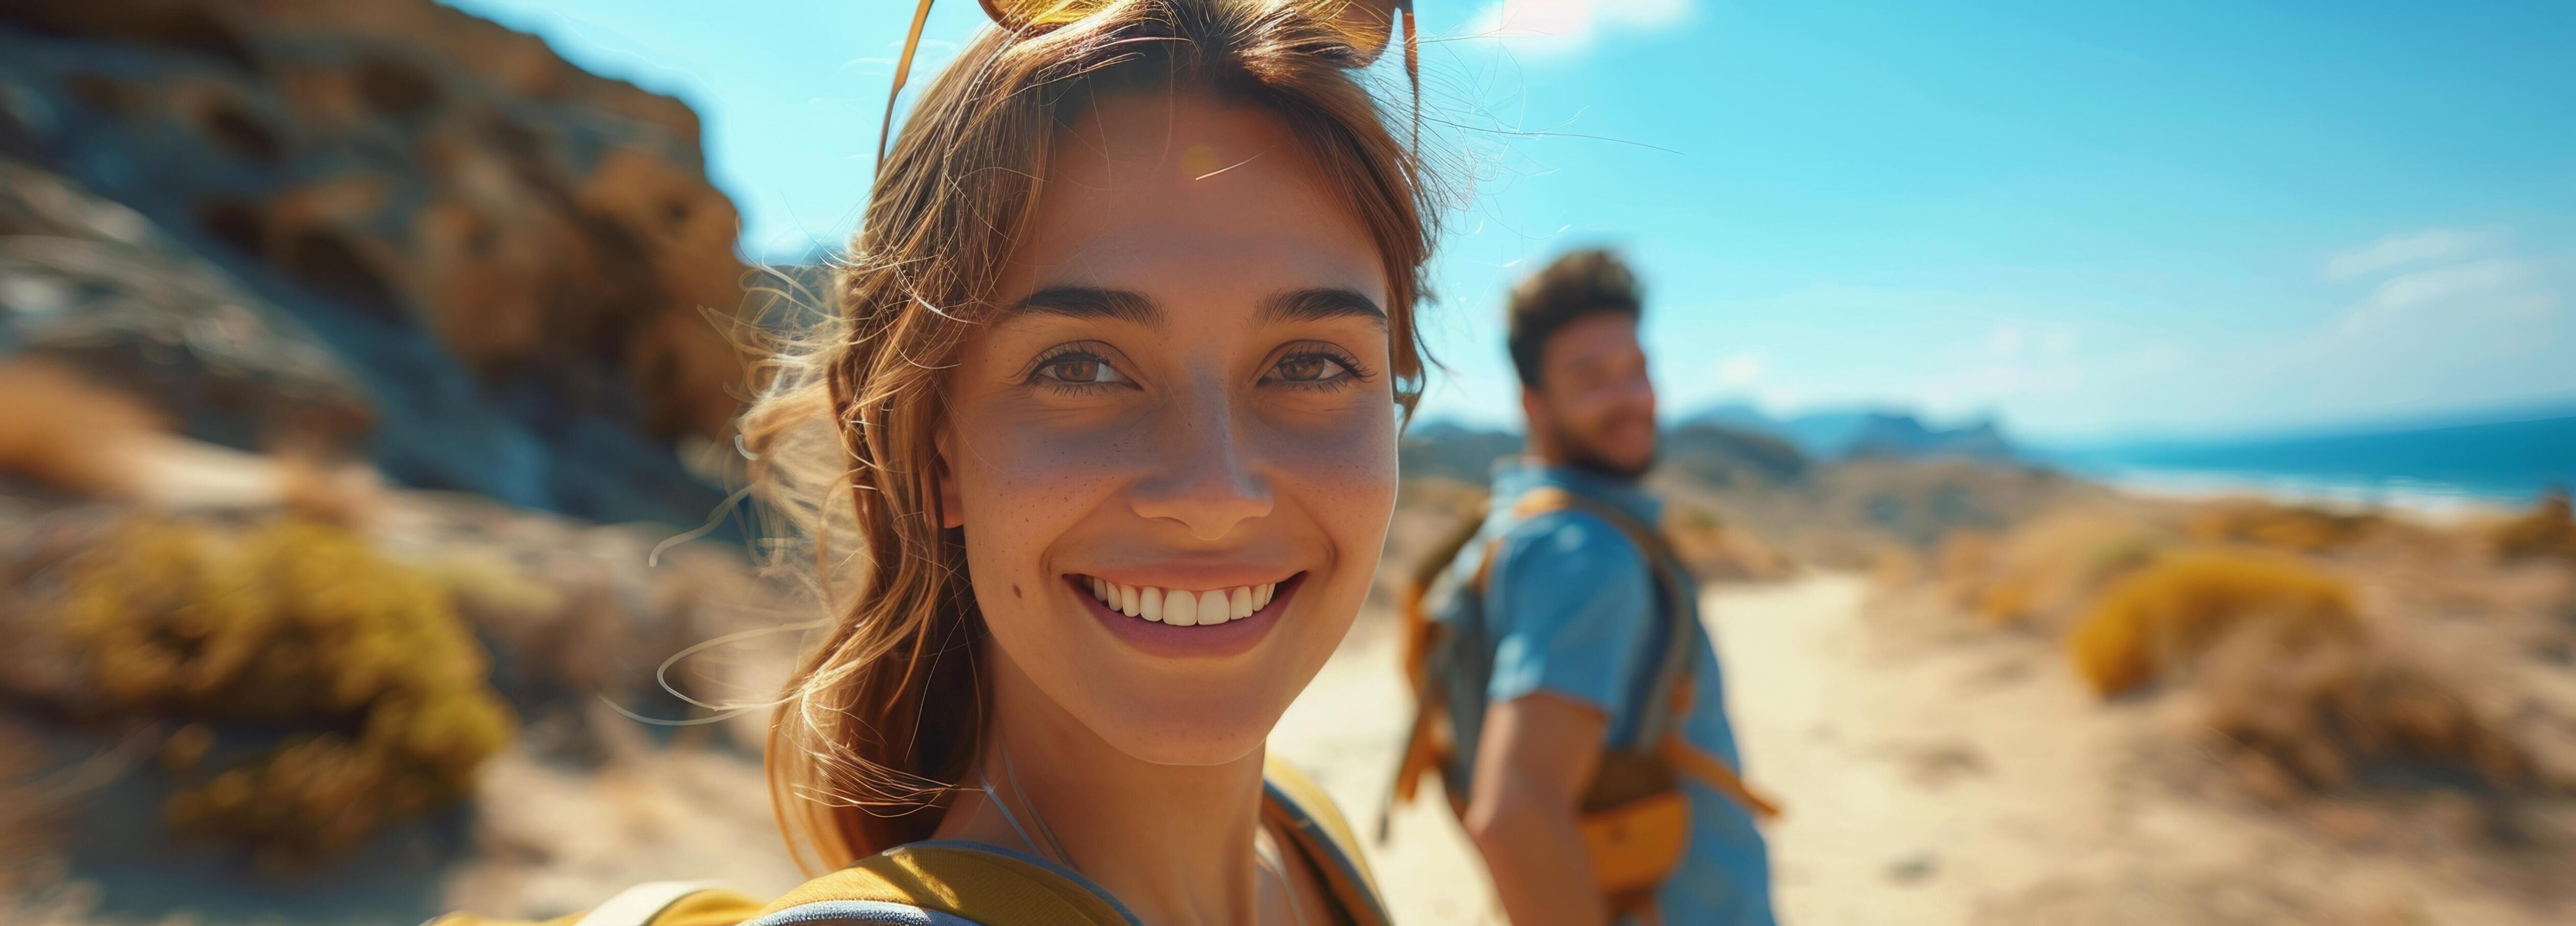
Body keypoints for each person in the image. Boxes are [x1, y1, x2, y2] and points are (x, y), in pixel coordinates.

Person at [435, 1, 1431, 923]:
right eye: (1081, 367)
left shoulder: (1310, 841)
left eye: (1310, 362)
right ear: (935, 447)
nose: (1216, 492)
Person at [1389, 249, 1776, 925]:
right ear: (1534, 402)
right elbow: (1516, 814)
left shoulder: (1514, 521)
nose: (1629, 398)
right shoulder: (1584, 551)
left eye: (1637, 371)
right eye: (1592, 377)